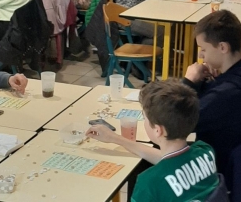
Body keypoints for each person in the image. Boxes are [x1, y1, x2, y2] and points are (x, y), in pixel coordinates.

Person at [86, 80, 220, 201]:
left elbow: (166, 167)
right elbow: (170, 162)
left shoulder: (149, 182)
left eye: (144, 118)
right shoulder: (206, 151)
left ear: (158, 130)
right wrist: (115, 138)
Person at [183, 10, 241, 176]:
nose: (200, 55)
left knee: (147, 163)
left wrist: (189, 81)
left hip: (213, 172)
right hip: (235, 165)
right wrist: (209, 82)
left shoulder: (225, 93)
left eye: (203, 49)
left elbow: (177, 121)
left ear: (222, 47)